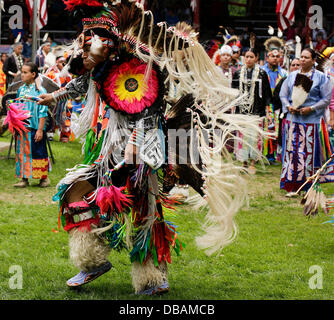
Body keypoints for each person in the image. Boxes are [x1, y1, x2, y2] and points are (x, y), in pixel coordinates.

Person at [37, 0, 262, 295]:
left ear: (114, 40)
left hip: (146, 149)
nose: (90, 43)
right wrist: (57, 95)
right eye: (89, 37)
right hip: (111, 147)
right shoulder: (101, 66)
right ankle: (91, 261)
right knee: (75, 192)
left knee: (145, 212)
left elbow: (149, 111)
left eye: (98, 37)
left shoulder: (145, 66)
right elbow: (83, 81)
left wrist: (134, 148)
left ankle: (152, 278)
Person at [280, 48, 333, 196]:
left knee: (309, 154)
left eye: (306, 57)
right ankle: (292, 185)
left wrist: (312, 108)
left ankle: (309, 186)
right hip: (293, 120)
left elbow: (326, 99)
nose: (302, 60)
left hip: (312, 122)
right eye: (301, 57)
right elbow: (283, 95)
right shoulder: (292, 77)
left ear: (313, 60)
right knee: (292, 153)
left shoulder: (321, 78)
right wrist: (288, 106)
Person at [232, 47, 272, 174]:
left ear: (256, 58)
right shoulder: (238, 73)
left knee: (255, 137)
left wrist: (267, 110)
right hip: (242, 111)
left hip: (257, 110)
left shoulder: (262, 74)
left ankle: (253, 163)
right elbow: (234, 92)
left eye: (251, 57)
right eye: (246, 57)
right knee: (243, 137)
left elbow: (266, 94)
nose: (248, 59)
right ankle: (244, 162)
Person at [12, 62, 50, 188]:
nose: (22, 75)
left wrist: (40, 130)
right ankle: (24, 179)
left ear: (33, 74)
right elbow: (17, 108)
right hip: (23, 127)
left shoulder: (40, 91)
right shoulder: (21, 90)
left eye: (25, 72)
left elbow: (43, 112)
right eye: (21, 72)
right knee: (22, 152)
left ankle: (43, 179)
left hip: (35, 127)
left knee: (38, 152)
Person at [262, 36, 288, 165]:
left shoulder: (284, 73)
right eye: (272, 56)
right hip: (265, 105)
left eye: (278, 57)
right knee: (266, 129)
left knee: (277, 130)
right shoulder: (261, 72)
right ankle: (266, 154)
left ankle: (274, 155)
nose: (275, 59)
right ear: (267, 57)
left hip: (278, 105)